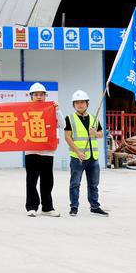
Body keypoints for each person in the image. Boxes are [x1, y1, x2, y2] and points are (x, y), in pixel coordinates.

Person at [65, 89, 108, 217]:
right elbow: (68, 137)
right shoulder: (70, 118)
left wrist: (95, 133)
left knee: (93, 184)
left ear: (87, 104)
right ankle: (74, 207)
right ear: (73, 105)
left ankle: (94, 206)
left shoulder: (94, 118)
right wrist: (78, 152)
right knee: (75, 184)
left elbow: (101, 134)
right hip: (78, 158)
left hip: (93, 158)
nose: (80, 105)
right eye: (77, 103)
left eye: (82, 102)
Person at [24, 83, 59, 217]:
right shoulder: (25, 109)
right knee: (31, 181)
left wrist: (57, 111)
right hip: (31, 151)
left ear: (45, 96)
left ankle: (47, 208)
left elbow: (62, 125)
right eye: (36, 94)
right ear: (31, 96)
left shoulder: (51, 109)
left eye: (41, 94)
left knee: (47, 181)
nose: (39, 97)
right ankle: (31, 207)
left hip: (47, 152)